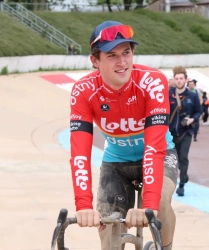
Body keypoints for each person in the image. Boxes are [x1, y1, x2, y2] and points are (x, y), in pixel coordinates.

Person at [69, 20, 178, 250]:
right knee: (108, 226)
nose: (122, 62)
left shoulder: (152, 82)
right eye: (111, 55)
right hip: (117, 162)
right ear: (95, 61)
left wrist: (148, 205)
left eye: (126, 53)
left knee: (158, 201)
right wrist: (83, 205)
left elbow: (154, 148)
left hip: (159, 154)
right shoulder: (83, 91)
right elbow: (80, 153)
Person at [169, 66, 202, 196]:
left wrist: (192, 119)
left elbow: (199, 111)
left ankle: (181, 185)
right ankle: (182, 176)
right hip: (171, 133)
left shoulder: (192, 96)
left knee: (183, 157)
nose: (178, 81)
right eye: (176, 78)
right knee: (173, 160)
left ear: (185, 79)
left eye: (181, 78)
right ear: (174, 79)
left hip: (186, 132)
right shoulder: (168, 94)